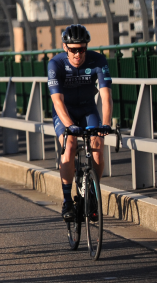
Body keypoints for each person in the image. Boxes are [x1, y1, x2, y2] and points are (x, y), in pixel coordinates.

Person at [48, 24, 113, 221]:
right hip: (65, 111)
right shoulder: (55, 64)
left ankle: (92, 193)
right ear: (65, 47)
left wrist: (106, 124)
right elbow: (57, 101)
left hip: (87, 108)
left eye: (82, 49)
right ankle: (67, 201)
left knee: (97, 144)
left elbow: (106, 97)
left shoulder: (98, 60)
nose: (78, 54)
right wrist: (70, 126)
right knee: (69, 145)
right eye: (74, 50)